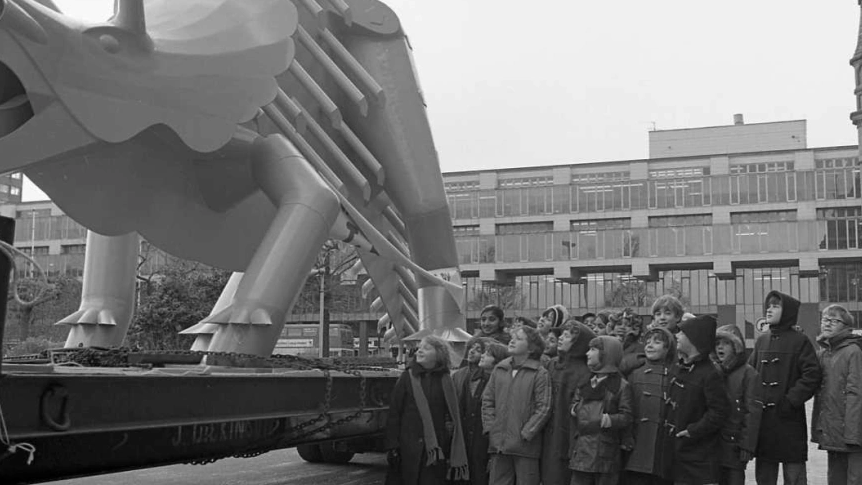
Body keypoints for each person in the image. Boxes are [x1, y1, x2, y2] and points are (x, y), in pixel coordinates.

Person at [748, 291, 821, 485]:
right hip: (763, 420)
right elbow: (750, 373)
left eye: (775, 306)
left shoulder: (800, 341)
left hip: (789, 419)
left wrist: (790, 400)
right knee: (764, 474)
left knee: (794, 474)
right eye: (768, 305)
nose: (769, 309)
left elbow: (812, 375)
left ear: (787, 311)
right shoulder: (762, 340)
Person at [385, 336, 469, 485]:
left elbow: (452, 415)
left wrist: (449, 442)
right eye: (419, 347)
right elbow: (394, 412)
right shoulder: (407, 377)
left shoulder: (446, 379)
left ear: (439, 354)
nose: (420, 350)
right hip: (407, 446)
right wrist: (392, 444)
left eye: (426, 347)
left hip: (436, 448)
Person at [664, 314, 729, 485]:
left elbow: (719, 412)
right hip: (676, 456)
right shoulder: (679, 368)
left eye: (682, 333)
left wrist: (693, 431)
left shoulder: (710, 374)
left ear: (694, 340)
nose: (676, 336)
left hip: (699, 460)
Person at [482, 326, 551, 485]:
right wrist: (491, 427)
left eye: (519, 339)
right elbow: (487, 400)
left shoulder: (539, 373)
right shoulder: (500, 369)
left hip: (526, 447)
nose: (512, 341)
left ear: (531, 348)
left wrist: (526, 433)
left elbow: (544, 407)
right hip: (499, 444)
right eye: (513, 337)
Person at [568, 335, 634, 485]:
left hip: (605, 453)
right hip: (581, 451)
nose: (587, 353)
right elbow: (575, 403)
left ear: (607, 355)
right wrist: (577, 409)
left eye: (593, 349)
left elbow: (627, 416)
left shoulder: (621, 386)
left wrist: (607, 420)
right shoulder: (585, 382)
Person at [811, 304, 862, 485]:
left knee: (855, 479)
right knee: (835, 478)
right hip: (833, 433)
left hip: (852, 433)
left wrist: (853, 434)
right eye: (825, 319)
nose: (828, 323)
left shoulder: (853, 351)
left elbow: (856, 393)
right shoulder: (824, 353)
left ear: (846, 326)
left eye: (835, 320)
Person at [541, 321, 596, 485]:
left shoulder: (584, 372)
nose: (561, 338)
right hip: (547, 431)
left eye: (567, 336)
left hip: (567, 433)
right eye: (562, 334)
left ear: (578, 344)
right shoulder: (551, 364)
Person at [625, 326, 677, 485]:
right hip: (639, 443)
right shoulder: (635, 374)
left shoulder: (676, 374)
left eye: (657, 342)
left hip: (665, 447)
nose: (650, 345)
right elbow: (627, 408)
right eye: (647, 342)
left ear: (668, 348)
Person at [713, 324, 762, 485]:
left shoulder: (749, 374)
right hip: (715, 443)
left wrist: (747, 446)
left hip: (735, 445)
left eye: (725, 343)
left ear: (736, 347)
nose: (720, 347)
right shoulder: (714, 372)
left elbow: (752, 412)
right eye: (717, 343)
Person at [458, 340, 509, 485]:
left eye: (487, 353)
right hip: (470, 439)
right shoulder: (472, 378)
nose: (482, 355)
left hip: (488, 441)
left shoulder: (501, 382)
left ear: (498, 360)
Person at [615, 308, 646, 378]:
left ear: (636, 329)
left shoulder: (640, 349)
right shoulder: (606, 346)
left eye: (628, 325)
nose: (622, 327)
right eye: (618, 324)